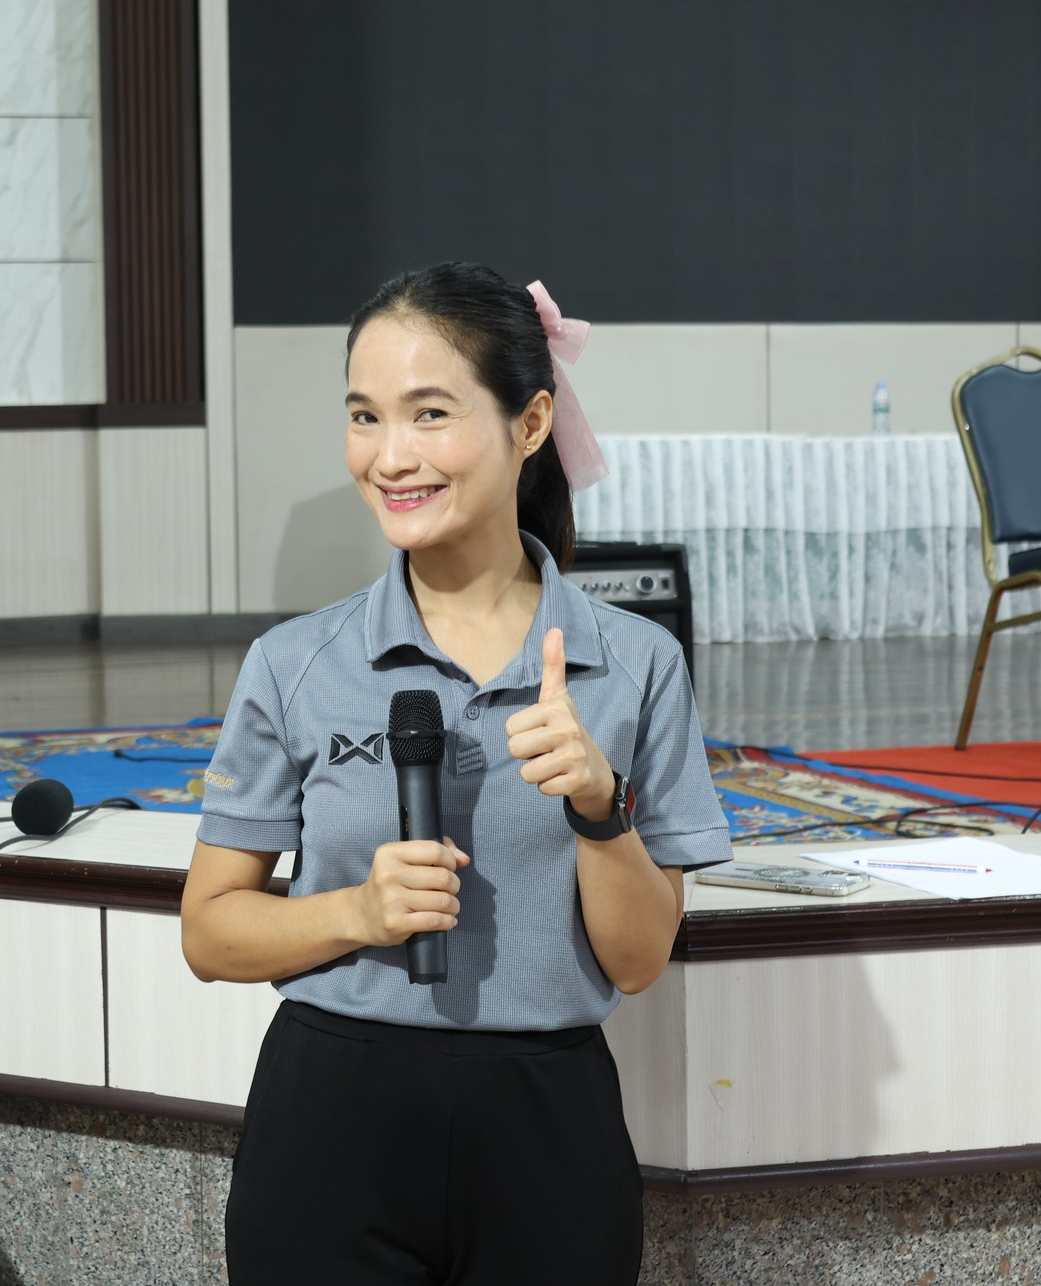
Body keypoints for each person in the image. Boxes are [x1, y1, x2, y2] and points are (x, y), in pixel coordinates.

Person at [180, 262, 733, 1285]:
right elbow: (209, 931)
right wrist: (357, 911)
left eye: (428, 414)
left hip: (548, 1129)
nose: (389, 456)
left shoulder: (635, 663)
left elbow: (637, 960)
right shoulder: (294, 664)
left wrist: (597, 806)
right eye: (364, 416)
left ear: (531, 423)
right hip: (328, 1124)